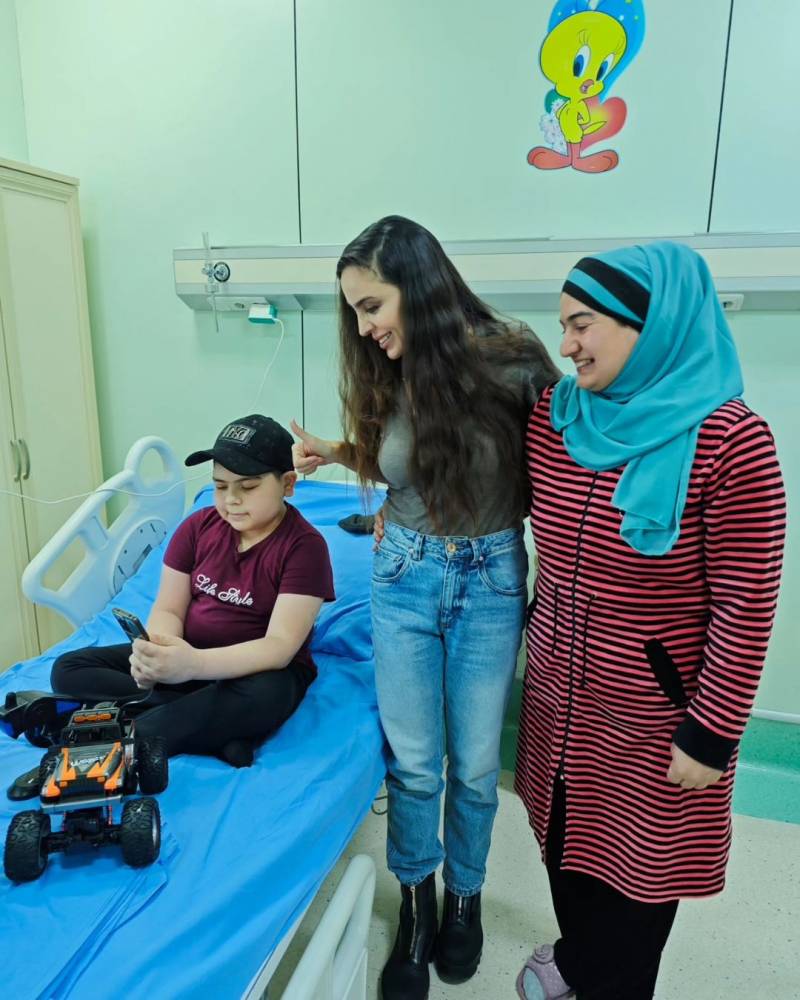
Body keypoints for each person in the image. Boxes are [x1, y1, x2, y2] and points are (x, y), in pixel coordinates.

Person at [291, 215, 560, 1000]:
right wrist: (335, 452)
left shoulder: (513, 357)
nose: (364, 328)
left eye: (372, 306)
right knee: (413, 764)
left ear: (419, 284)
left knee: (473, 767)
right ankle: (417, 904)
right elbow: (397, 464)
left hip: (490, 579)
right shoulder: (390, 367)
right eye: (356, 312)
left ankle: (465, 897)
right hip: (404, 574)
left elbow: (565, 466)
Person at [514, 242, 786, 1000]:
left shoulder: (731, 442)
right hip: (558, 703)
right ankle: (576, 965)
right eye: (562, 326)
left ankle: (604, 981)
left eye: (583, 324)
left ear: (651, 324)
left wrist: (711, 733)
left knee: (635, 883)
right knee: (564, 849)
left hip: (655, 720)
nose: (567, 345)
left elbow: (747, 603)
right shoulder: (558, 418)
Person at [49, 414, 335, 769]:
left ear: (287, 484)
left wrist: (193, 665)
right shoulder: (197, 528)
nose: (231, 500)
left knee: (268, 694)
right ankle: (213, 728)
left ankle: (139, 731)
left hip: (254, 671)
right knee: (69, 668)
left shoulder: (304, 547)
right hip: (186, 660)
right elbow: (168, 609)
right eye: (220, 486)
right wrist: (160, 655)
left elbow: (278, 647)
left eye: (247, 487)